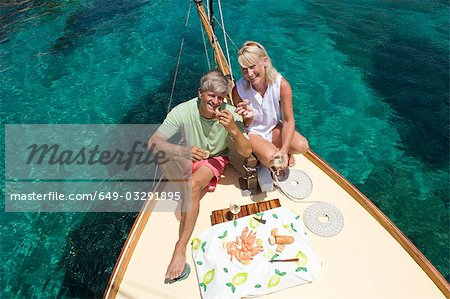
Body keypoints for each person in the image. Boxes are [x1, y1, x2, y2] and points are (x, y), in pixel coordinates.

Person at [149, 70, 252, 281]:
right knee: (161, 153)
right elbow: (153, 142)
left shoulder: (230, 114)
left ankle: (180, 247)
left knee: (193, 186)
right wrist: (183, 151)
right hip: (188, 154)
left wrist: (233, 128)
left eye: (220, 98)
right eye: (211, 95)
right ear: (200, 93)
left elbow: (246, 152)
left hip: (214, 159)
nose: (215, 102)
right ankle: (185, 194)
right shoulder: (183, 110)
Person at [232, 41, 309, 170]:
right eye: (244, 69)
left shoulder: (281, 85)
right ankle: (268, 150)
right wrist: (248, 117)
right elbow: (240, 127)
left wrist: (284, 150)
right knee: (272, 159)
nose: (249, 74)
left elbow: (288, 121)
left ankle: (275, 149)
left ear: (265, 61)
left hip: (272, 128)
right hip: (252, 132)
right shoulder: (238, 90)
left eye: (252, 66)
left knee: (303, 146)